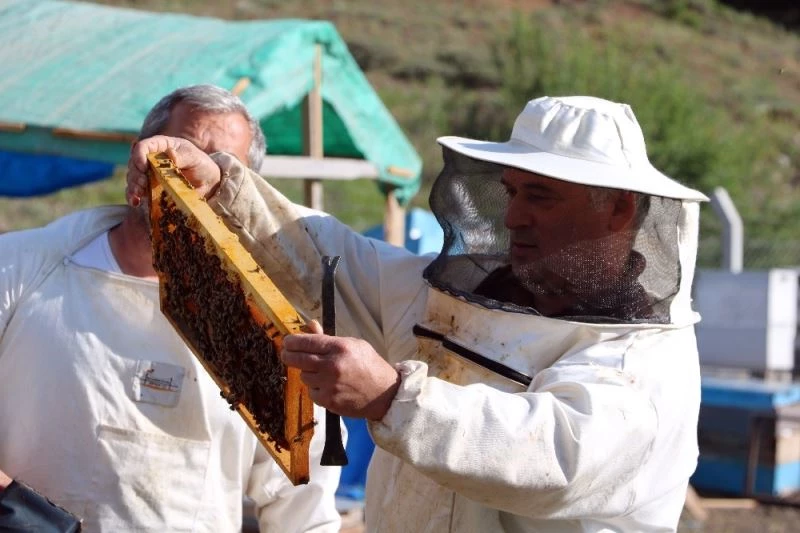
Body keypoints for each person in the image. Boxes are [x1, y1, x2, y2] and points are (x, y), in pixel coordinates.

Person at [126, 95, 709, 532]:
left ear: (619, 211)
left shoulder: (643, 361)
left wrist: (392, 399)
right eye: (513, 192)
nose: (514, 218)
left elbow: (556, 455)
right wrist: (224, 185)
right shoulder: (461, 297)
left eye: (543, 197)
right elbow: (333, 264)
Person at [0, 84, 342, 532]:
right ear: (139, 158)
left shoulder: (273, 325)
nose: (189, 174)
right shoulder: (19, 267)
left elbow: (305, 507)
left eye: (219, 167)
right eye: (179, 152)